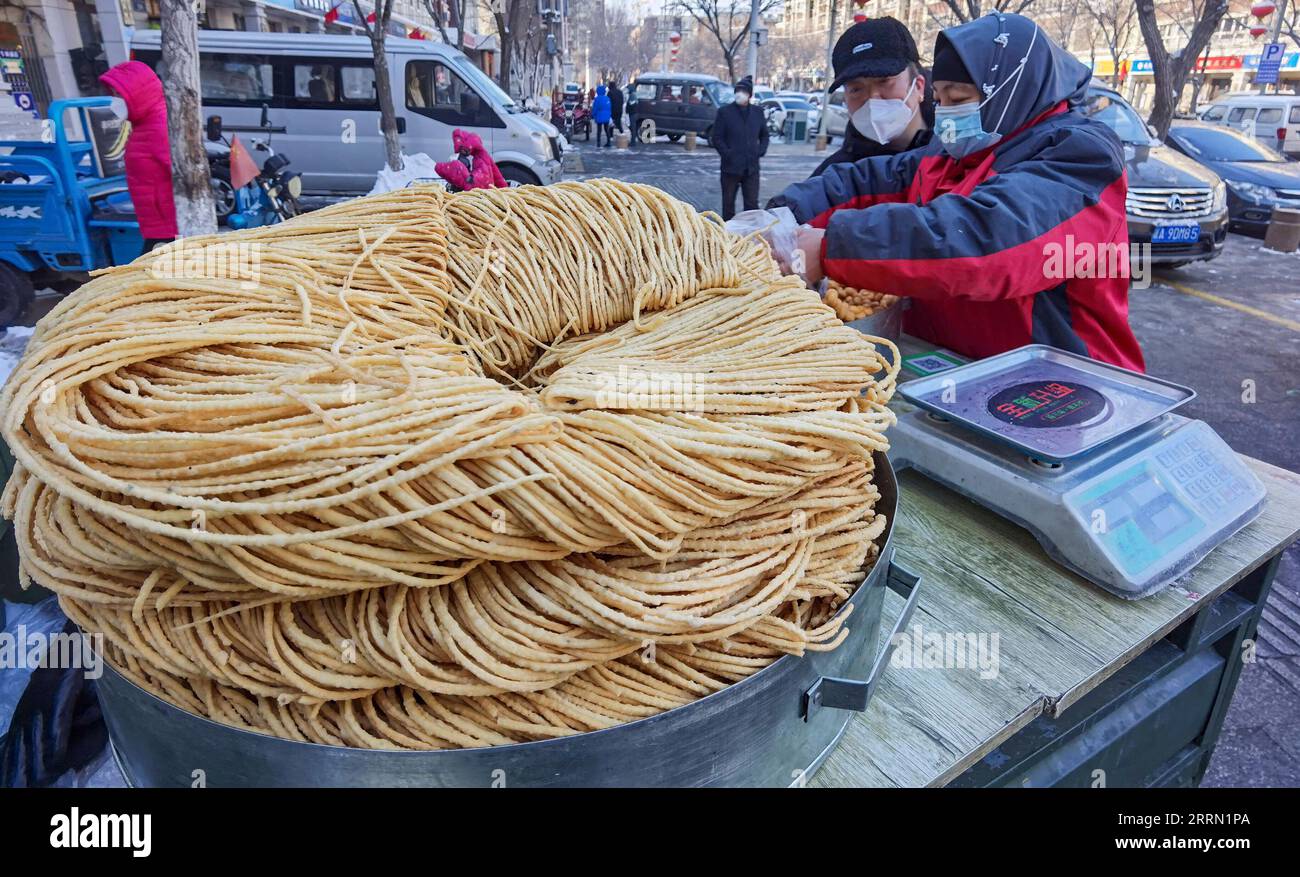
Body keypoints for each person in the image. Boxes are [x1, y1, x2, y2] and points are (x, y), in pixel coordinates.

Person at [774, 12, 1144, 371]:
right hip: (962, 372)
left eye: (959, 99)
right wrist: (783, 213)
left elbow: (987, 239)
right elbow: (866, 182)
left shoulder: (1080, 156)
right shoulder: (955, 153)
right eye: (941, 99)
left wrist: (832, 247)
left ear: (1008, 92)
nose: (946, 114)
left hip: (1065, 385)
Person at [810, 17, 934, 177]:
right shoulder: (833, 178)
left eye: (884, 81)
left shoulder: (957, 161)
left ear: (918, 86)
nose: (872, 99)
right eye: (856, 89)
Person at [99, 60, 177, 253]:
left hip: (166, 225)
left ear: (137, 94)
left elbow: (182, 174)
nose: (115, 100)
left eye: (119, 94)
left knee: (150, 278)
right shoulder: (144, 123)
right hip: (157, 222)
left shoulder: (158, 126)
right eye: (114, 94)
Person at [711, 77, 769, 221]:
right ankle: (728, 233)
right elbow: (717, 137)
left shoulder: (757, 112)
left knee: (752, 204)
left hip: (751, 168)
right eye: (737, 91)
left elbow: (765, 135)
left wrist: (760, 151)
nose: (739, 94)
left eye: (743, 91)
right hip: (730, 168)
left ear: (749, 94)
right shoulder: (725, 112)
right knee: (728, 204)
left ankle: (750, 234)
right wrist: (727, 153)